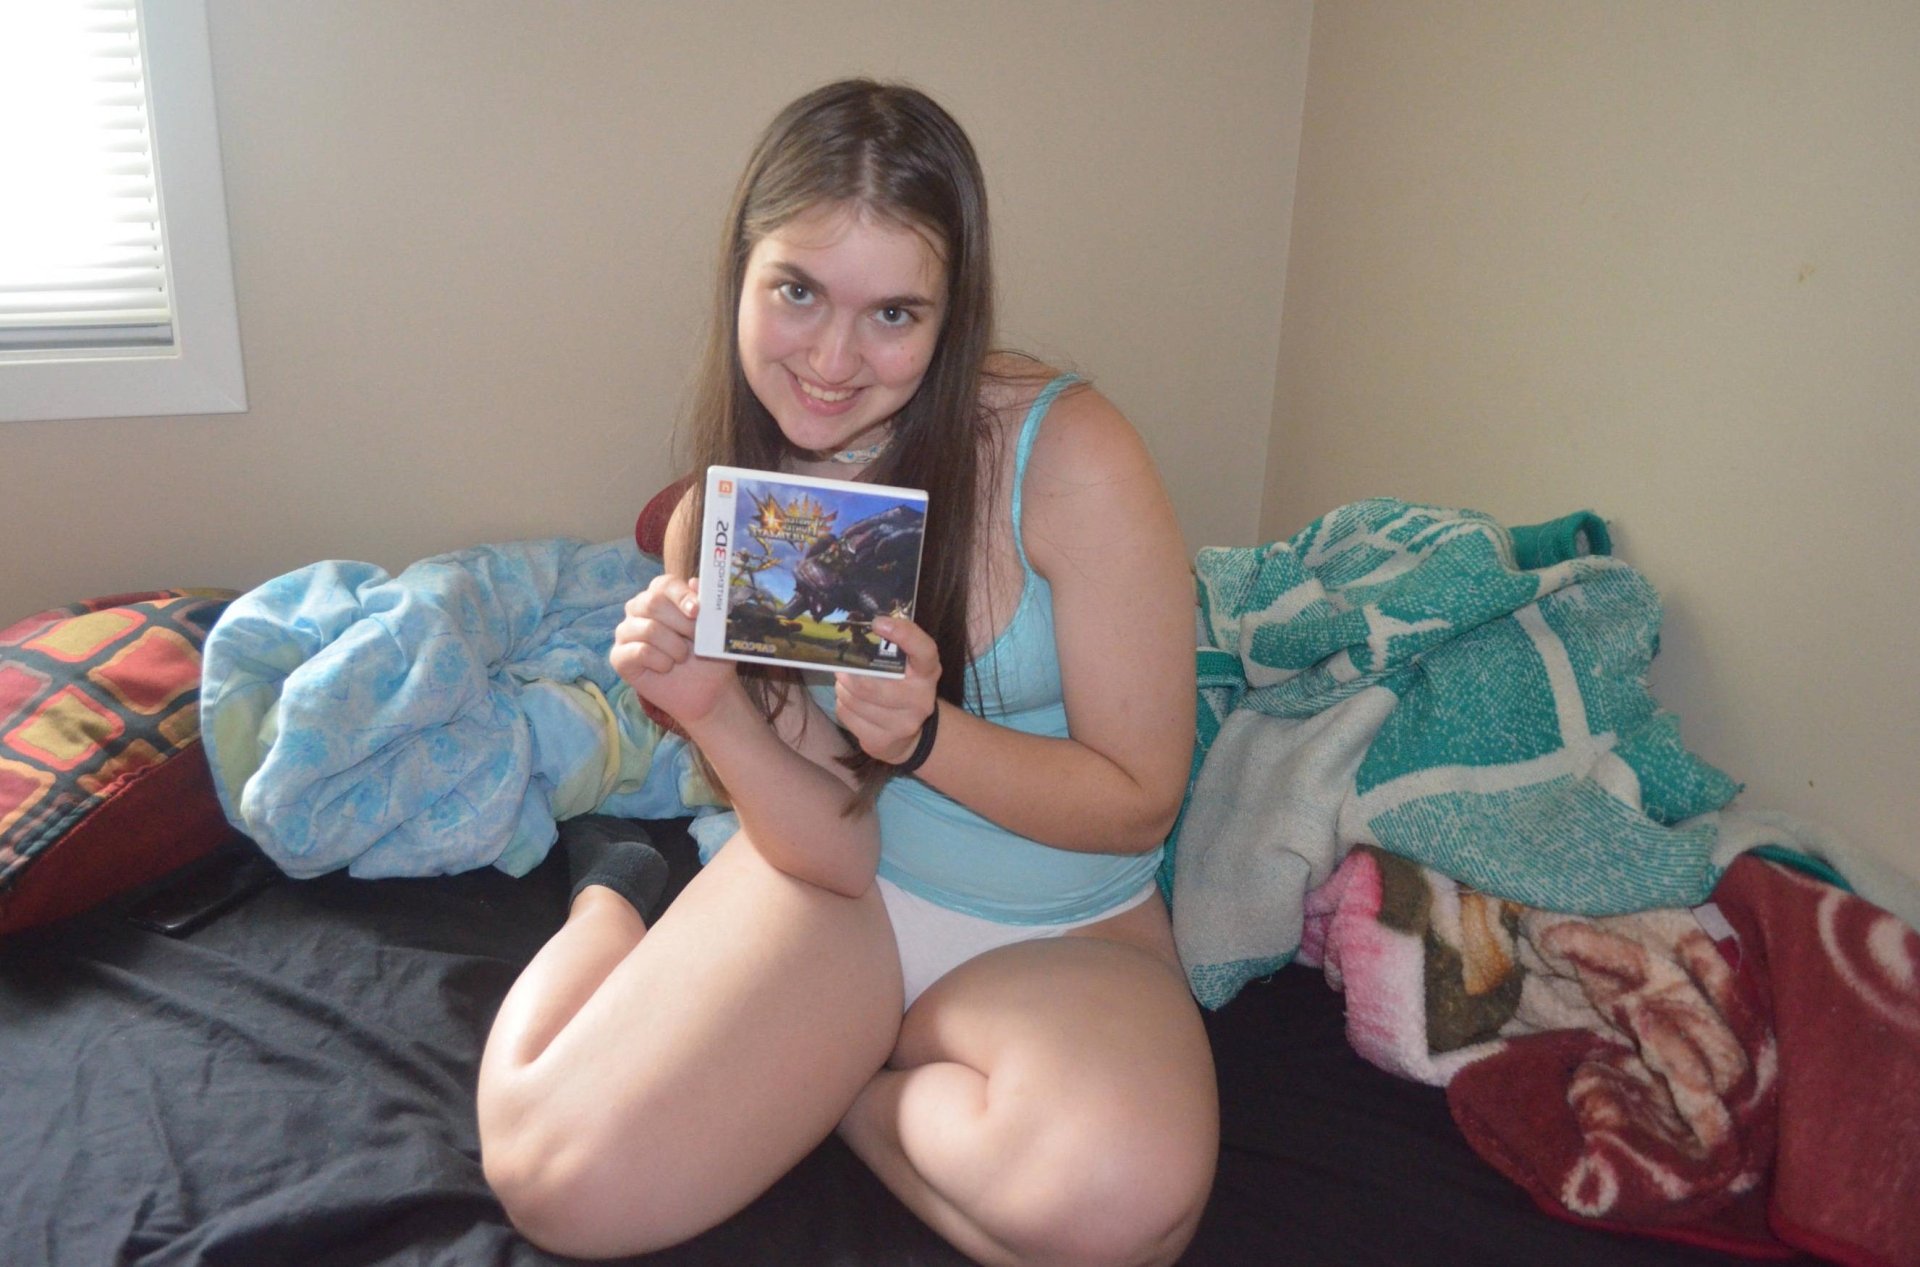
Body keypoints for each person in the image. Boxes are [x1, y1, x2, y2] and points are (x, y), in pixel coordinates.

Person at [476, 79, 1216, 1267]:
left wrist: (927, 737)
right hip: (836, 900)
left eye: (893, 313)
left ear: (951, 315)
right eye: (798, 291)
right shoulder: (736, 521)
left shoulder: (1068, 453)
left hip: (1062, 929)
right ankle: (614, 889)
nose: (831, 359)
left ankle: (844, 1095)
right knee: (550, 1181)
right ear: (742, 275)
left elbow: (1141, 800)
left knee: (1117, 1212)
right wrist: (714, 712)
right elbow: (832, 848)